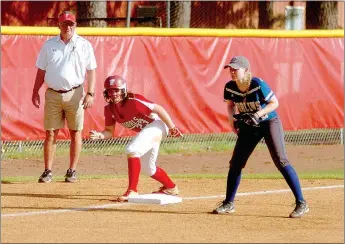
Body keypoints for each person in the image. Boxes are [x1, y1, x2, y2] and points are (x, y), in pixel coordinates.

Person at [213, 56, 309, 218]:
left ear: (246, 70)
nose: (232, 71)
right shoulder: (229, 87)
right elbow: (230, 105)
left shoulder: (257, 84)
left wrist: (257, 114)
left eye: (235, 68)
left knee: (280, 160)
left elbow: (274, 103)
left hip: (269, 122)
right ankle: (229, 203)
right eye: (230, 68)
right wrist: (231, 122)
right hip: (249, 126)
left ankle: (302, 203)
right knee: (236, 163)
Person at [89, 75, 183, 202]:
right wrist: (100, 135)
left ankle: (132, 190)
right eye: (110, 90)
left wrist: (172, 127)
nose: (113, 93)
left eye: (116, 90)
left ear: (124, 90)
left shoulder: (133, 100)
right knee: (147, 168)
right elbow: (109, 132)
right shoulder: (109, 109)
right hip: (148, 130)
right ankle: (171, 187)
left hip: (157, 125)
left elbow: (159, 109)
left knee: (132, 149)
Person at [32, 11, 97, 183]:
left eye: (71, 24)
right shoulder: (49, 45)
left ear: (75, 25)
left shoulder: (84, 45)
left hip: (75, 93)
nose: (68, 27)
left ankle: (72, 170)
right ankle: (47, 170)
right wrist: (35, 90)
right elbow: (41, 70)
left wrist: (90, 93)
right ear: (58, 25)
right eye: (64, 24)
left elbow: (91, 70)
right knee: (51, 133)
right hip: (53, 93)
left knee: (75, 132)